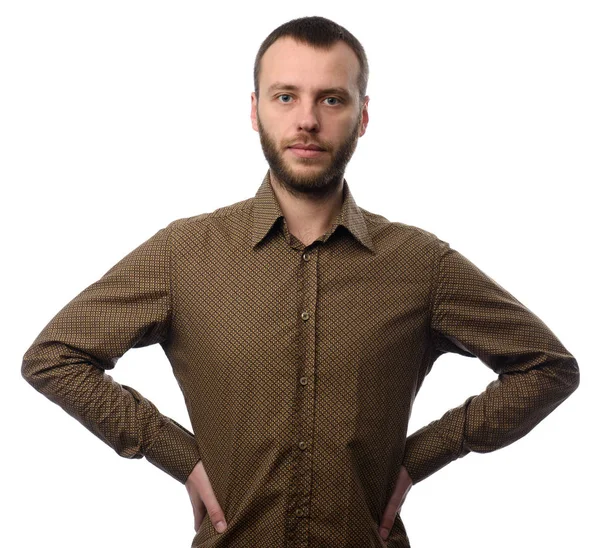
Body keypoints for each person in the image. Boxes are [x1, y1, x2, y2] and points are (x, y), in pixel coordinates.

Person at [21, 15, 579, 548]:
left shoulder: (418, 263)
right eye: (285, 96)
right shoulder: (185, 253)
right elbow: (54, 355)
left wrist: (419, 458)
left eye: (331, 99)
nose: (306, 119)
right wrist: (179, 456)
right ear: (256, 110)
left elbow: (547, 367)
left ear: (362, 116)